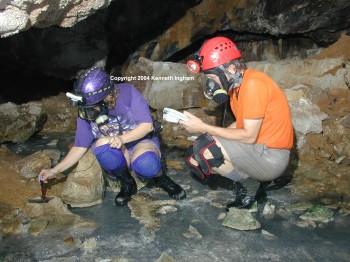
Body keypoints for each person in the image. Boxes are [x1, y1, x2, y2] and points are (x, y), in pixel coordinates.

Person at [38, 66, 186, 206]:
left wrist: (122, 139)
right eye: (84, 109)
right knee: (103, 145)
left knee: (147, 165)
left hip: (140, 142)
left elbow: (147, 126)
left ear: (106, 98)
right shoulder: (86, 109)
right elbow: (80, 145)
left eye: (91, 108)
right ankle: (127, 182)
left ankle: (162, 179)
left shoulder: (128, 93)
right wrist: (55, 170)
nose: (87, 113)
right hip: (115, 150)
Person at [182, 36, 294, 210]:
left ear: (231, 68)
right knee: (196, 150)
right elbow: (240, 124)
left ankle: (252, 186)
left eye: (213, 77)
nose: (211, 84)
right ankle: (249, 186)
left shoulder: (253, 85)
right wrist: (206, 135)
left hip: (272, 157)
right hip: (260, 149)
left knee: (206, 149)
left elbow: (248, 136)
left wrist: (204, 129)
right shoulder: (237, 87)